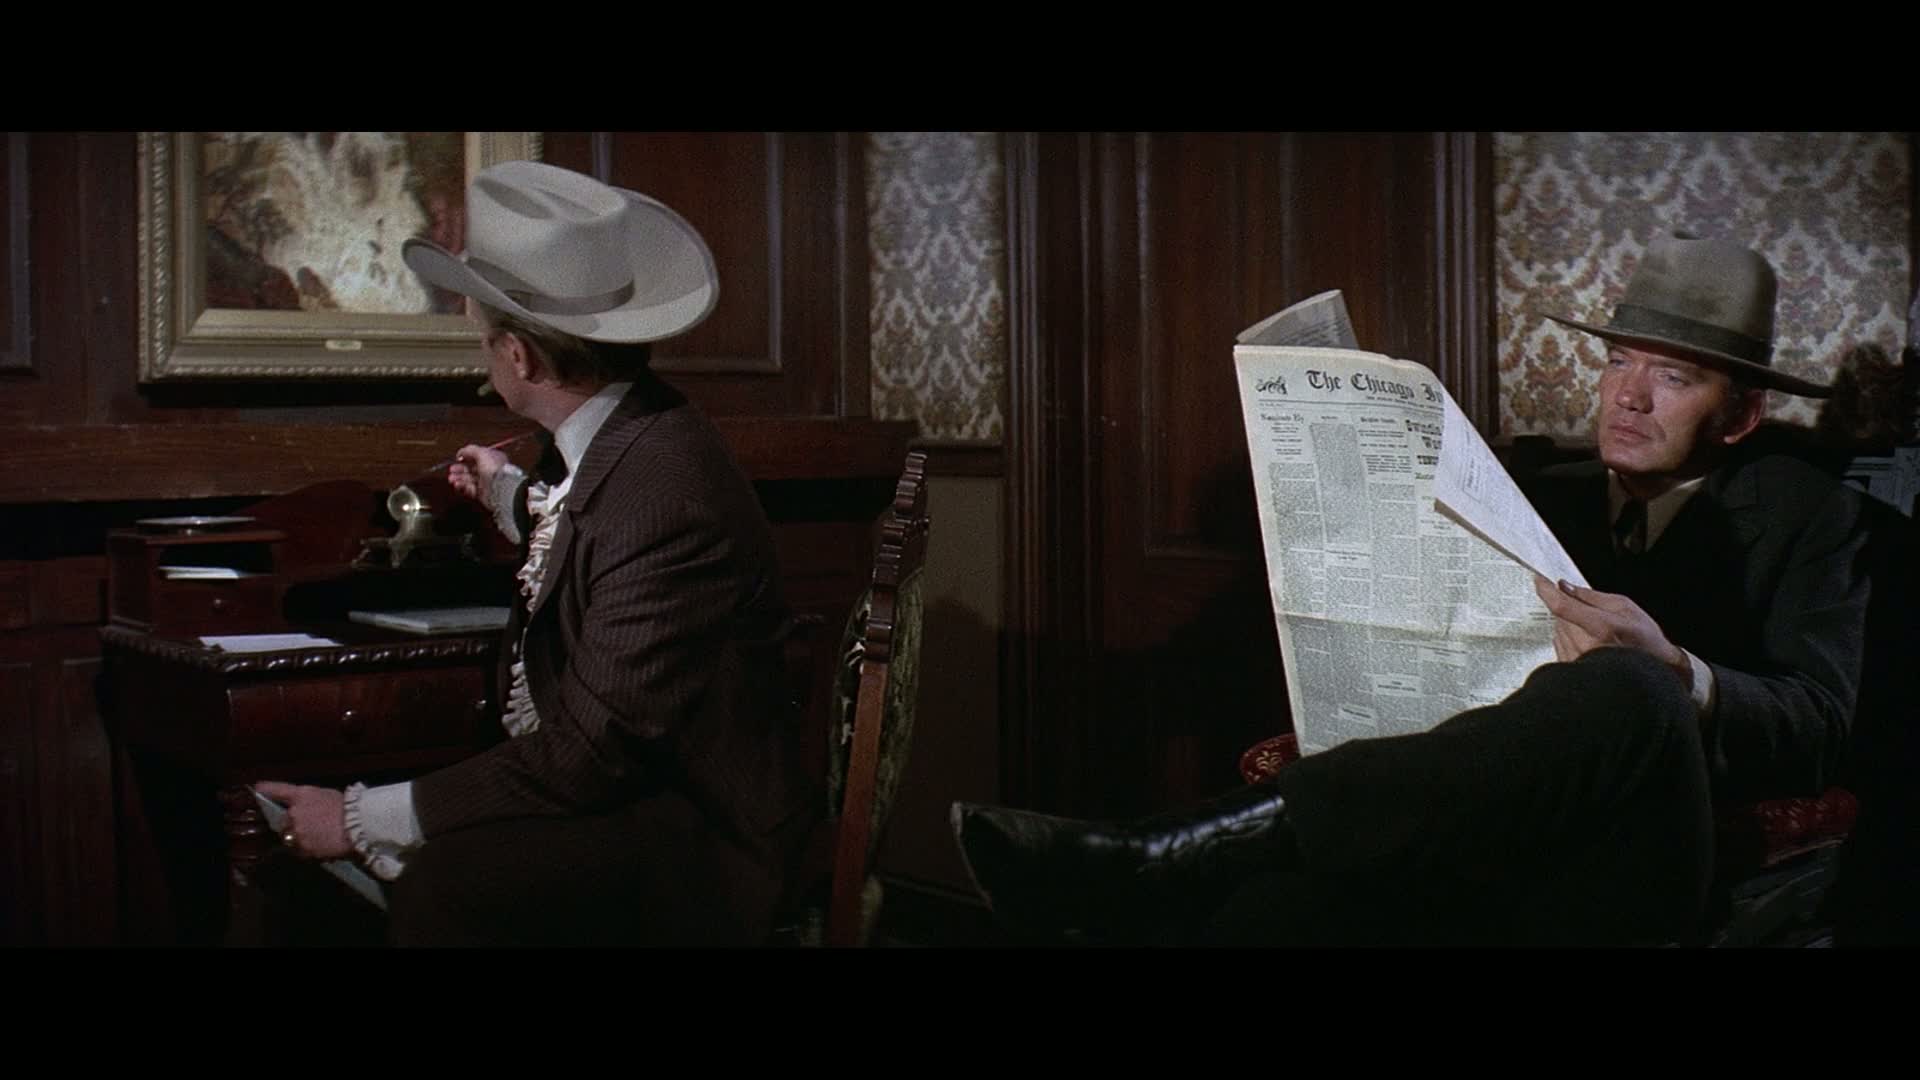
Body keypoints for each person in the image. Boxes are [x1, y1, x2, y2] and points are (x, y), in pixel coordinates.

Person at [951, 232, 1876, 946]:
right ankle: (1164, 875)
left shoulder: (1811, 514)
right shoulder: (1535, 489)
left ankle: (1173, 849)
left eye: (1673, 376)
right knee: (1276, 915)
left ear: (1740, 414)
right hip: (1493, 822)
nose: (1628, 396)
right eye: (1617, 361)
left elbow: (1821, 721)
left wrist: (1681, 672)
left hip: (1644, 838)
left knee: (1631, 684)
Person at [258, 160, 819, 946]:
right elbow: (595, 535)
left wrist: (358, 817)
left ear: (518, 356)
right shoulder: (631, 432)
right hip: (637, 799)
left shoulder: (665, 491)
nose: (484, 359)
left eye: (484, 340)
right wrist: (509, 496)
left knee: (444, 886)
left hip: (704, 839)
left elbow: (588, 751)